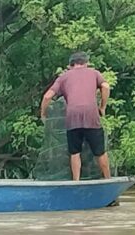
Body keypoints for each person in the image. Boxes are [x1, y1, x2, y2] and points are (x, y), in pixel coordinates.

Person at [40, 52, 111, 181]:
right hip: (91, 116)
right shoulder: (94, 73)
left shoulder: (63, 77)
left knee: (75, 152)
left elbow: (47, 96)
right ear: (86, 63)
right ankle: (108, 180)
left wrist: (43, 114)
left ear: (70, 65)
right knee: (100, 151)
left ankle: (76, 181)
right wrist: (102, 107)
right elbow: (106, 86)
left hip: (72, 117)